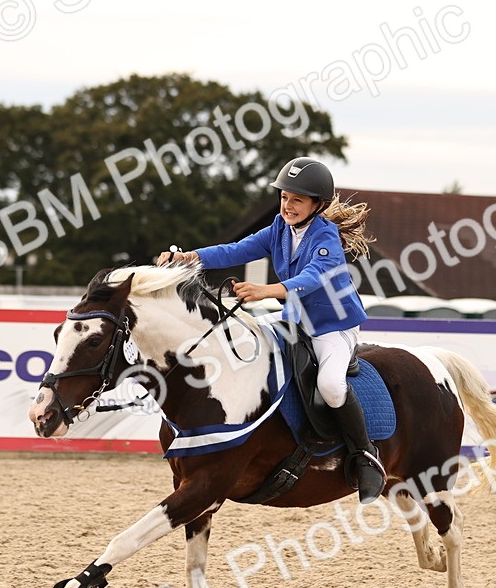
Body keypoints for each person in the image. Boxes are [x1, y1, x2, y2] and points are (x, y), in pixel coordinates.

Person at [156, 157, 385, 503]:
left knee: (330, 385)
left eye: (297, 200)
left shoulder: (326, 237)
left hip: (332, 327)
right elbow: (236, 250)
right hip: (293, 321)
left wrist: (266, 291)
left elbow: (313, 278)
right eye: (284, 197)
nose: (287, 206)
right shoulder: (279, 228)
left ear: (317, 205)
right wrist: (189, 257)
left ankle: (365, 455)